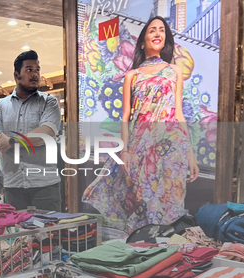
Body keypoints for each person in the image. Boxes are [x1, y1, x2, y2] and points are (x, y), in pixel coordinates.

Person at [82, 16, 199, 233]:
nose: (157, 33)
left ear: (165, 39)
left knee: (169, 197)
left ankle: (163, 246)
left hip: (173, 145)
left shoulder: (175, 71)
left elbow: (179, 113)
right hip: (141, 145)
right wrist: (124, 151)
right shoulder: (132, 76)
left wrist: (190, 154)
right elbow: (126, 116)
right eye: (152, 30)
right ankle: (142, 244)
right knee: (141, 197)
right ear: (143, 40)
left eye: (161, 30)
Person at [0, 50, 62, 211]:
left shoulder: (49, 102)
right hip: (12, 185)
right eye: (29, 70)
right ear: (17, 75)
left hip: (45, 184)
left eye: (37, 70)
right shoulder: (1, 105)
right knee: (17, 234)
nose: (35, 74)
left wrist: (11, 140)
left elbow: (46, 133)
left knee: (50, 233)